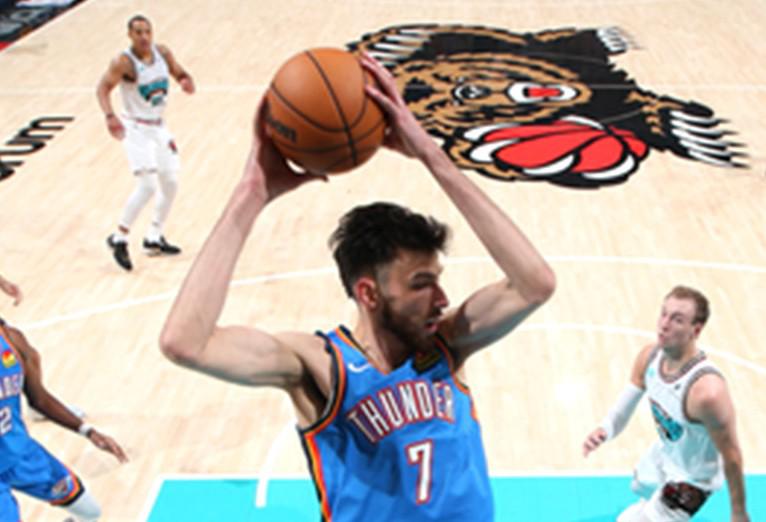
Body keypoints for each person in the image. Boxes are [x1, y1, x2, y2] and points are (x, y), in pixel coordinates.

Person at [159, 52, 555, 521]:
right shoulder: (321, 366)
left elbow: (535, 284)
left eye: (438, 280)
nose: (442, 299)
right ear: (368, 293)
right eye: (422, 284)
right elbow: (185, 342)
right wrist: (252, 194)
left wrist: (431, 156)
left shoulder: (449, 345)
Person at [583, 286, 749, 522]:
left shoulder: (707, 393)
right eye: (664, 314)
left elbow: (732, 456)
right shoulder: (649, 356)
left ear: (696, 330)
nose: (664, 324)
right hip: (667, 453)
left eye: (677, 320)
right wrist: (606, 428)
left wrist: (739, 512)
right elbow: (627, 401)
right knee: (640, 485)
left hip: (692, 481)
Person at [0, 317, 128, 521]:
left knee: (90, 512)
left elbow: (39, 399)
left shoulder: (11, 339)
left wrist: (87, 431)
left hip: (22, 454)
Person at [96, 14, 195, 272]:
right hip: (135, 127)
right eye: (138, 32)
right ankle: (119, 238)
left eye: (147, 31)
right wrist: (109, 116)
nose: (143, 37)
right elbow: (102, 88)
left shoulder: (163, 53)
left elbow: (179, 72)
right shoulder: (124, 63)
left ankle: (153, 237)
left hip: (158, 126)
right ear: (130, 35)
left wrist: (185, 80)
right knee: (148, 186)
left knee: (170, 182)